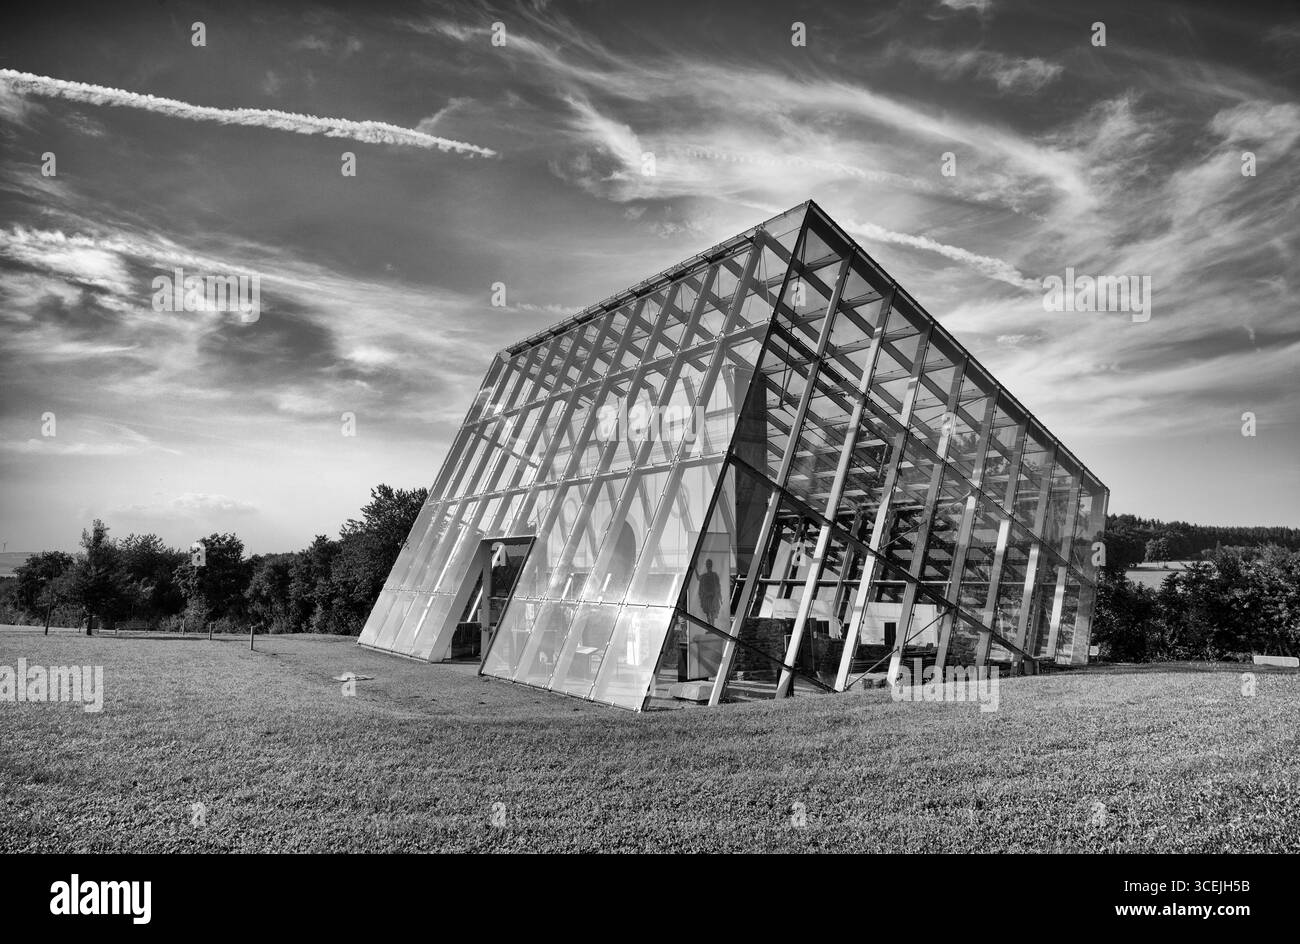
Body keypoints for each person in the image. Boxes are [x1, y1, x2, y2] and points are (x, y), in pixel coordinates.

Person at [696, 558, 721, 626]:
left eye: (709, 564)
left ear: (711, 565)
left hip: (712, 596)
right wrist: (695, 568)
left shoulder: (714, 575)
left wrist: (719, 597)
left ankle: (712, 626)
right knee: (708, 612)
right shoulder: (705, 575)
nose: (708, 565)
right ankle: (710, 626)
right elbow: (698, 578)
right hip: (707, 596)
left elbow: (718, 586)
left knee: (712, 612)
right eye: (707, 564)